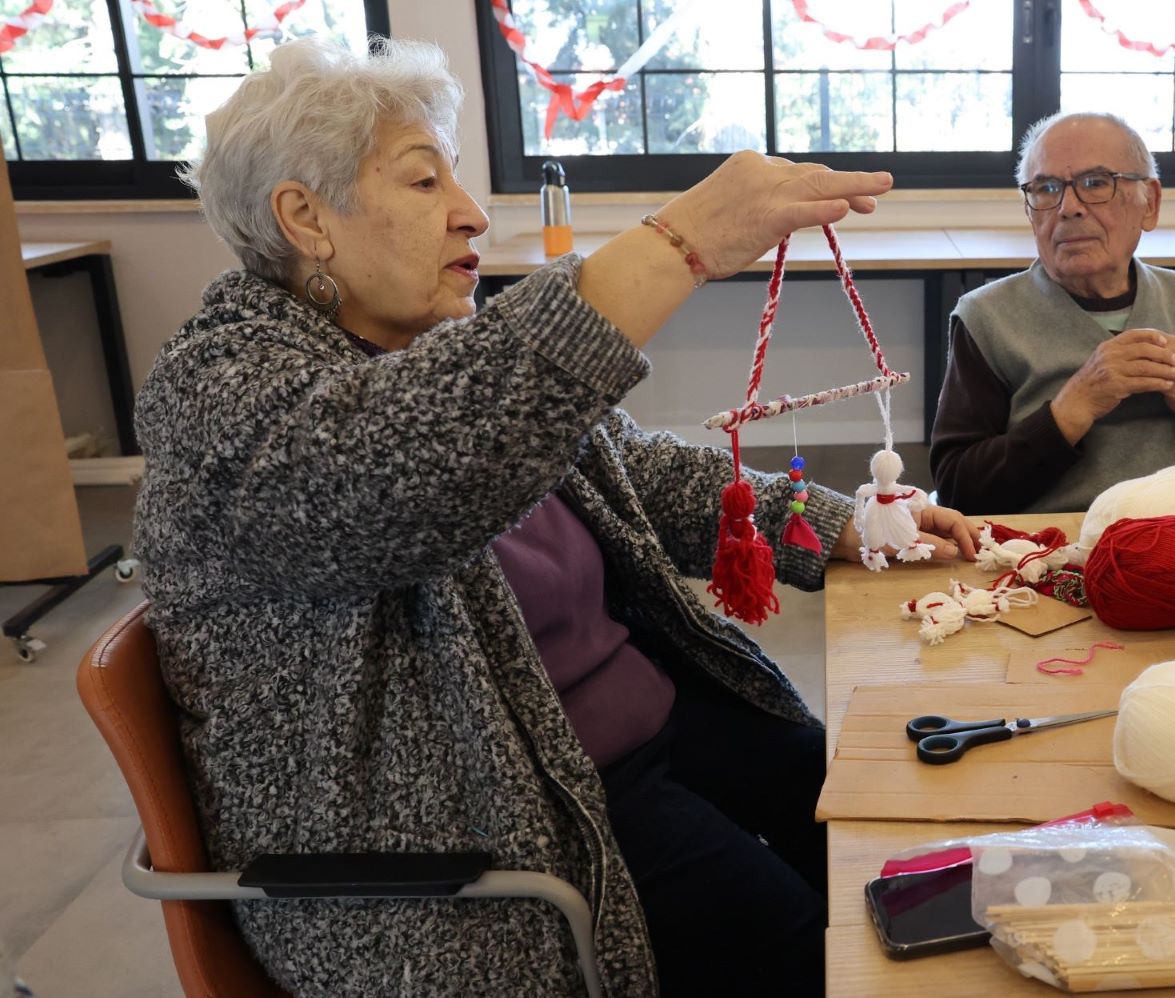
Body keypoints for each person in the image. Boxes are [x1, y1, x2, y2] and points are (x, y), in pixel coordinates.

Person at [133, 38, 974, 997]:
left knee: (881, 828)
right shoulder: (224, 391)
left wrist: (835, 523)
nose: (471, 212)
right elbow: (408, 472)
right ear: (304, 219)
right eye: (423, 181)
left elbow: (633, 472)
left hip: (634, 729)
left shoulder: (430, 342)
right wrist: (681, 240)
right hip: (499, 827)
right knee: (808, 948)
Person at [929, 111, 1175, 513]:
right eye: (1046, 189)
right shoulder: (987, 318)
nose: (1068, 208)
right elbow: (959, 489)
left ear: (1149, 203)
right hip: (1057, 550)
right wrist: (1070, 411)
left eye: (1095, 183)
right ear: (1030, 213)